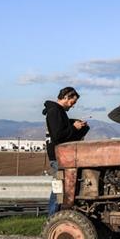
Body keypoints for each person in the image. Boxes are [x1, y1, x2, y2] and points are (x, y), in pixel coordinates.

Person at [44, 87, 89, 215]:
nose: (72, 106)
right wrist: (74, 127)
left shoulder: (58, 112)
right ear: (66, 97)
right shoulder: (54, 112)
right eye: (72, 102)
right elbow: (58, 136)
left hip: (60, 156)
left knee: (61, 188)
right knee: (60, 189)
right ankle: (53, 217)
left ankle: (55, 217)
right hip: (59, 156)